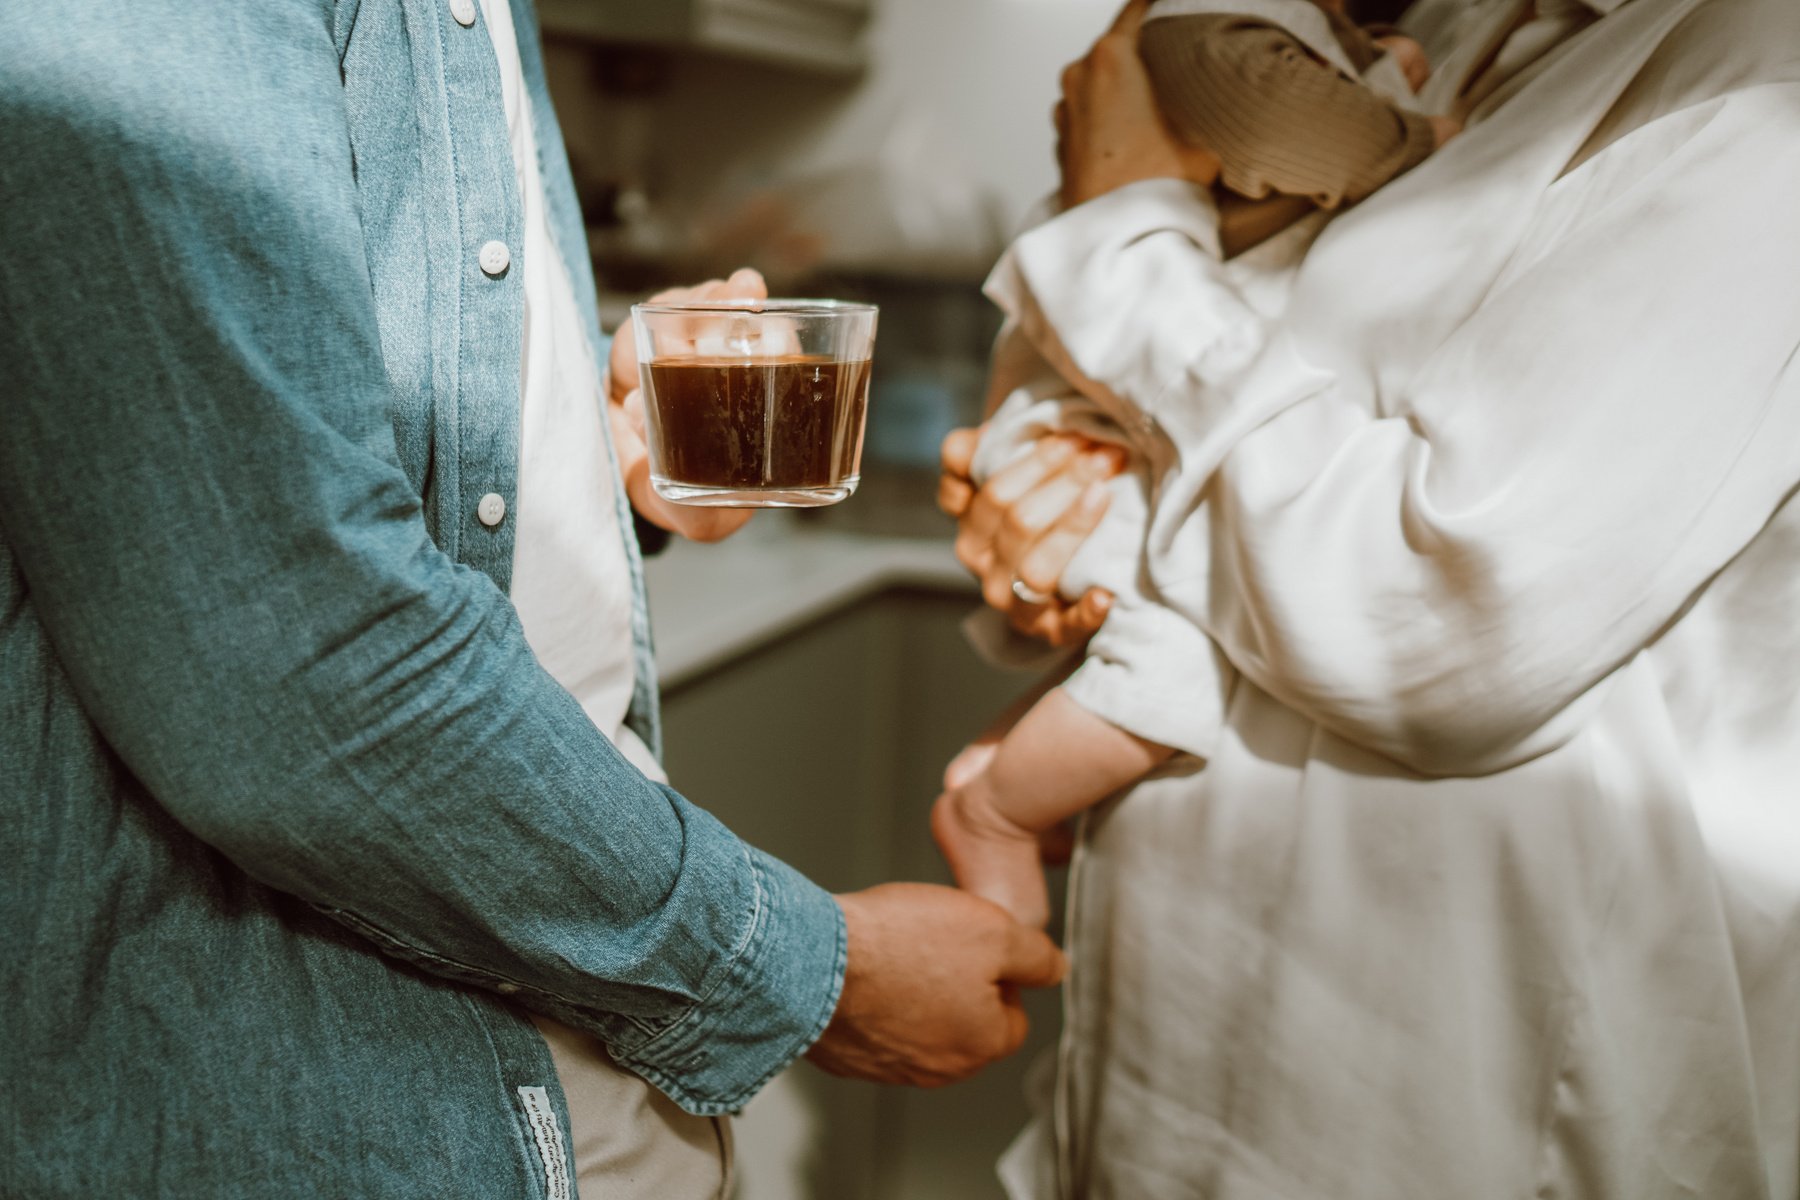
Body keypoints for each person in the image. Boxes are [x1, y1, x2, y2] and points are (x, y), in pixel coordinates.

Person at [0, 2, 1066, 1196]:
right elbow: (293, 653)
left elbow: (298, 473)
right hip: (316, 1107)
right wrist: (813, 972)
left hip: (549, 1048)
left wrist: (591, 478)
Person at [941, 0, 1800, 1195]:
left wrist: (1117, 229)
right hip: (1167, 1052)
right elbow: (1242, 440)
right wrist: (1067, 518)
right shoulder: (1434, 42)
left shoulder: (1766, 91)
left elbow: (1433, 621)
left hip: (1444, 1104)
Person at [934, 0, 1460, 930]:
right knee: (1174, 655)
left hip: (1131, 403)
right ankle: (998, 811)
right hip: (1099, 421)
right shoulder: (1207, 20)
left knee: (1181, 623)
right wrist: (1427, 146)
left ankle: (1014, 760)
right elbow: (1273, 121)